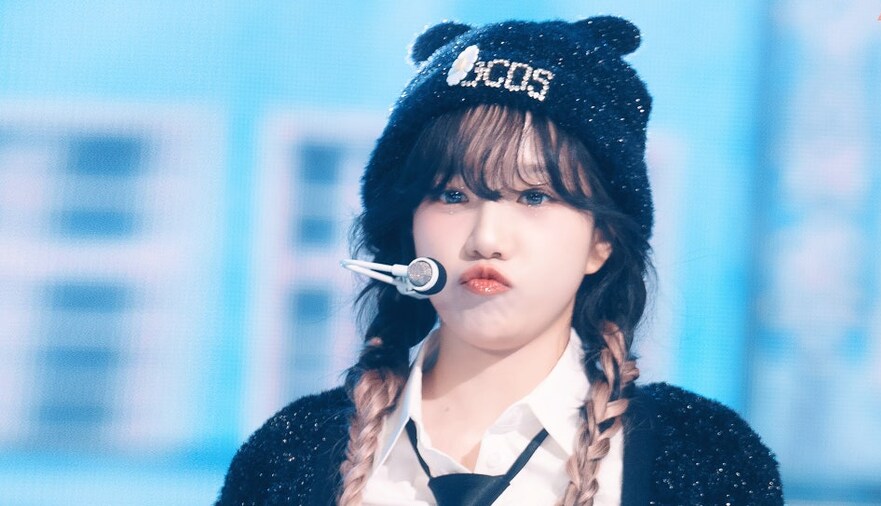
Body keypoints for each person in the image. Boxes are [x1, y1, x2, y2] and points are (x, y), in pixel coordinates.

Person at [217, 15, 783, 506]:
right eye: (453, 195)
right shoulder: (291, 453)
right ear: (408, 226)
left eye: (534, 197)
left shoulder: (702, 456)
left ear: (602, 240)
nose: (486, 239)